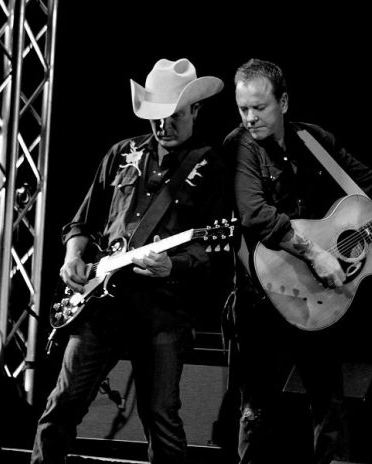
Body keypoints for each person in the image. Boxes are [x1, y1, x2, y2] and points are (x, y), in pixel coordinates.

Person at [222, 58, 372, 464]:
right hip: (261, 300)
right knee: (257, 412)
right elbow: (255, 213)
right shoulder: (239, 147)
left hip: (318, 294)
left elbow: (369, 183)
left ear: (283, 103)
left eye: (259, 108)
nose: (249, 118)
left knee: (329, 406)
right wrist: (315, 252)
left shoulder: (313, 139)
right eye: (243, 108)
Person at [31, 57, 227, 464]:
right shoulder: (122, 152)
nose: (163, 127)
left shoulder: (212, 167)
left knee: (161, 419)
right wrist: (72, 257)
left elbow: (214, 249)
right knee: (62, 405)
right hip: (99, 304)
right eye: (155, 117)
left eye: (172, 116)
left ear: (195, 110)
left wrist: (174, 265)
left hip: (163, 310)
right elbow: (81, 221)